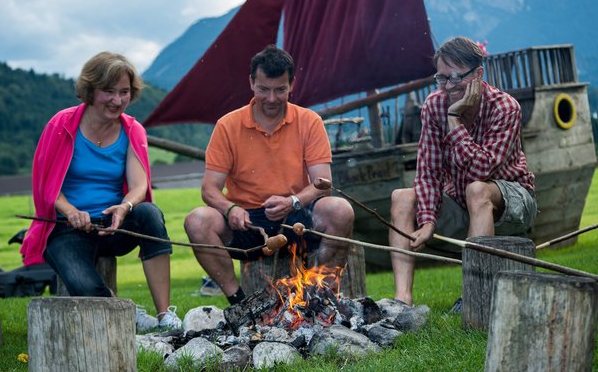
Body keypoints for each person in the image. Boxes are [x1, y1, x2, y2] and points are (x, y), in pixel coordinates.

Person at [20, 51, 181, 332]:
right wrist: (71, 212)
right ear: (91, 90)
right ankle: (125, 313)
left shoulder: (133, 130)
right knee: (81, 282)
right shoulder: (61, 124)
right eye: (109, 91)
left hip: (114, 224)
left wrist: (124, 207)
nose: (117, 101)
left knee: (150, 214)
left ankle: (165, 315)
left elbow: (139, 186)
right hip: (67, 227)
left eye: (124, 92)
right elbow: (47, 186)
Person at [184, 45, 354, 305]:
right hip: (246, 222)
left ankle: (321, 296)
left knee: (340, 210)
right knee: (197, 220)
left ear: (292, 85)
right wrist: (230, 209)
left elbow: (323, 185)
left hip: (296, 214)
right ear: (251, 83)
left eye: (280, 89)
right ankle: (239, 301)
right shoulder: (227, 126)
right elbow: (209, 189)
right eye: (264, 89)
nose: (272, 98)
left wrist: (293, 201)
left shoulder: (309, 121)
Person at [389, 36, 538, 307]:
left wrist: (454, 120)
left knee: (477, 189)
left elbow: (481, 170)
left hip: (512, 204)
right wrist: (428, 221)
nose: (448, 87)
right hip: (460, 202)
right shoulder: (434, 105)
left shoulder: (505, 107)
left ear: (478, 74)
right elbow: (428, 171)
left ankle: (475, 296)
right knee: (401, 196)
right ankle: (402, 301)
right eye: (442, 78)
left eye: (455, 77)